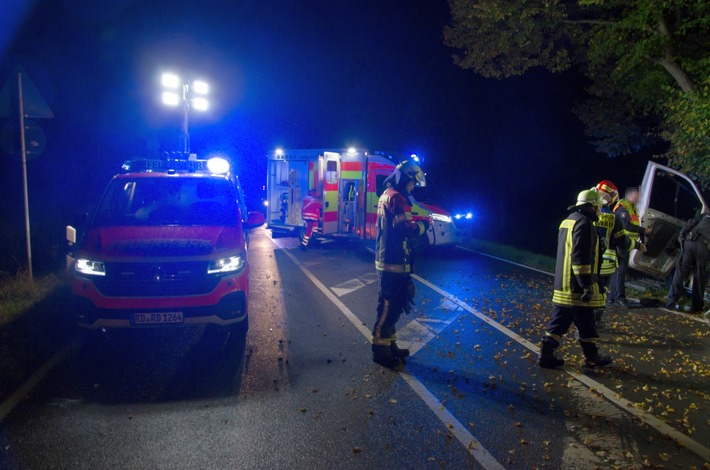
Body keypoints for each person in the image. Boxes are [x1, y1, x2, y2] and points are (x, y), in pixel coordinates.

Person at [538, 189, 613, 369]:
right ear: (590, 207)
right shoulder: (585, 224)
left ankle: (548, 355)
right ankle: (591, 357)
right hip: (576, 287)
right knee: (583, 321)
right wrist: (586, 285)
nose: (600, 211)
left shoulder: (568, 221)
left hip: (564, 284)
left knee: (570, 322)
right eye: (597, 208)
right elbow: (580, 257)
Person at [372, 160, 430, 369]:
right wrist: (423, 226)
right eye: (412, 182)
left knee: (394, 306)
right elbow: (405, 228)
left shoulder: (389, 194)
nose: (413, 187)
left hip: (392, 260)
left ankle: (389, 345)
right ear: (406, 178)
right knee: (388, 307)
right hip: (392, 262)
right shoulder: (396, 197)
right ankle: (380, 351)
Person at [592, 180, 631, 325]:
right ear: (612, 198)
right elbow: (623, 242)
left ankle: (583, 320)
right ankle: (597, 320)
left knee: (587, 290)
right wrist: (637, 245)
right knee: (602, 293)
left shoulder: (588, 213)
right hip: (606, 263)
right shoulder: (613, 217)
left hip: (588, 262)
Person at [607, 187, 652, 308]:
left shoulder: (631, 208)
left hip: (626, 243)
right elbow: (626, 225)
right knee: (620, 271)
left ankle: (612, 297)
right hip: (621, 242)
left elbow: (634, 225)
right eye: (637, 196)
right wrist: (644, 230)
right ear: (630, 196)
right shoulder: (623, 207)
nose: (639, 199)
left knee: (618, 271)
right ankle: (620, 298)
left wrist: (641, 238)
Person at [665, 209, 710, 313]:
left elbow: (690, 223)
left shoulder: (704, 215)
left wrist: (682, 238)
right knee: (699, 277)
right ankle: (697, 307)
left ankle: (671, 302)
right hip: (703, 246)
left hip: (689, 241)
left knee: (680, 273)